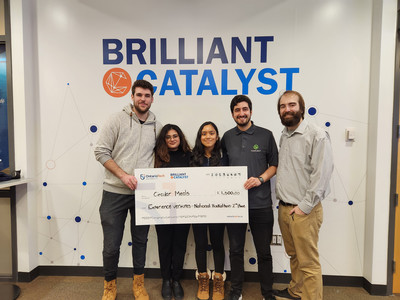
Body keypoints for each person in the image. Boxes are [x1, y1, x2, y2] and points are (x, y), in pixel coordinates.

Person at [94, 79, 161, 300]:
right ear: (132, 96)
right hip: (114, 192)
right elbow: (101, 152)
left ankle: (138, 284)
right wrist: (123, 175)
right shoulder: (116, 120)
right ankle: (109, 285)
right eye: (139, 95)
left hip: (143, 195)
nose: (143, 99)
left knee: (141, 242)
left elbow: (161, 157)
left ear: (152, 98)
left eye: (147, 95)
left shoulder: (157, 126)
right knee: (111, 245)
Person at [274, 90, 334, 300]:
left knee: (308, 263)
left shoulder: (317, 135)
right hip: (285, 208)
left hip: (304, 210)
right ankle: (296, 291)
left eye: (292, 105)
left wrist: (304, 207)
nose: (287, 109)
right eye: (283, 106)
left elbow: (322, 175)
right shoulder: (285, 134)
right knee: (294, 256)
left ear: (302, 108)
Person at [221, 95, 278, 300]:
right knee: (235, 251)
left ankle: (267, 293)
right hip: (234, 205)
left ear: (251, 111)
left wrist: (260, 179)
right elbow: (222, 170)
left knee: (264, 252)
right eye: (237, 110)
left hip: (261, 204)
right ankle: (236, 292)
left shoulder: (266, 135)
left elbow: (274, 165)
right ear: (233, 113)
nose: (241, 113)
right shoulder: (227, 137)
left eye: (245, 109)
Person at [154, 124, 192, 300]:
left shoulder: (189, 156)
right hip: (162, 210)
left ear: (180, 137)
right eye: (168, 137)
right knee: (164, 245)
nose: (172, 139)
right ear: (164, 139)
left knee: (179, 245)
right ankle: (165, 279)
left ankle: (176, 280)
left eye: (175, 136)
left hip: (183, 210)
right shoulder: (156, 157)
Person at [190, 121, 226, 300]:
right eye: (204, 133)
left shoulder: (224, 156)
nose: (208, 136)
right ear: (200, 137)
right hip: (197, 209)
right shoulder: (192, 157)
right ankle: (203, 278)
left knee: (218, 243)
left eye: (211, 133)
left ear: (217, 136)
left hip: (219, 209)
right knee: (200, 243)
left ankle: (218, 279)